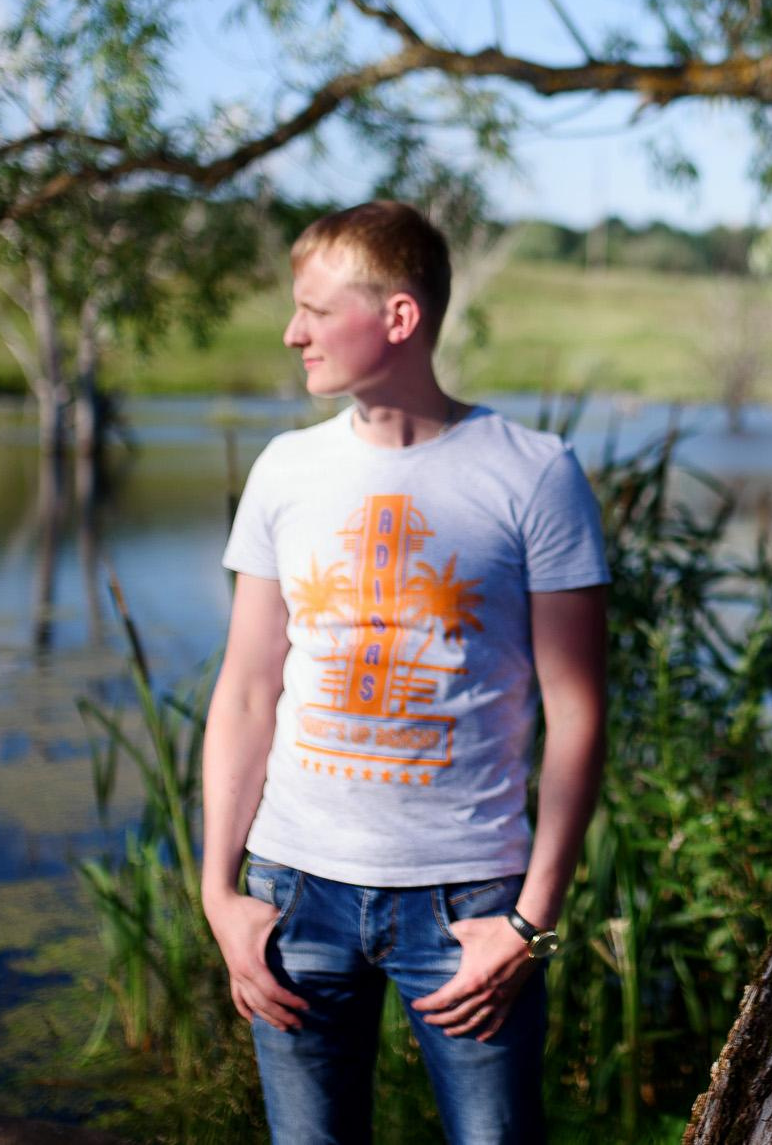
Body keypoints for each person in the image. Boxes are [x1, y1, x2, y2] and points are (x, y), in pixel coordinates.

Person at [200, 202, 610, 1145]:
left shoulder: (535, 474)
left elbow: (578, 712)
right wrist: (221, 893)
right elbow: (248, 688)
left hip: (468, 902)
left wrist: (532, 920)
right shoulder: (285, 469)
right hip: (294, 891)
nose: (292, 331)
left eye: (314, 309)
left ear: (397, 318)